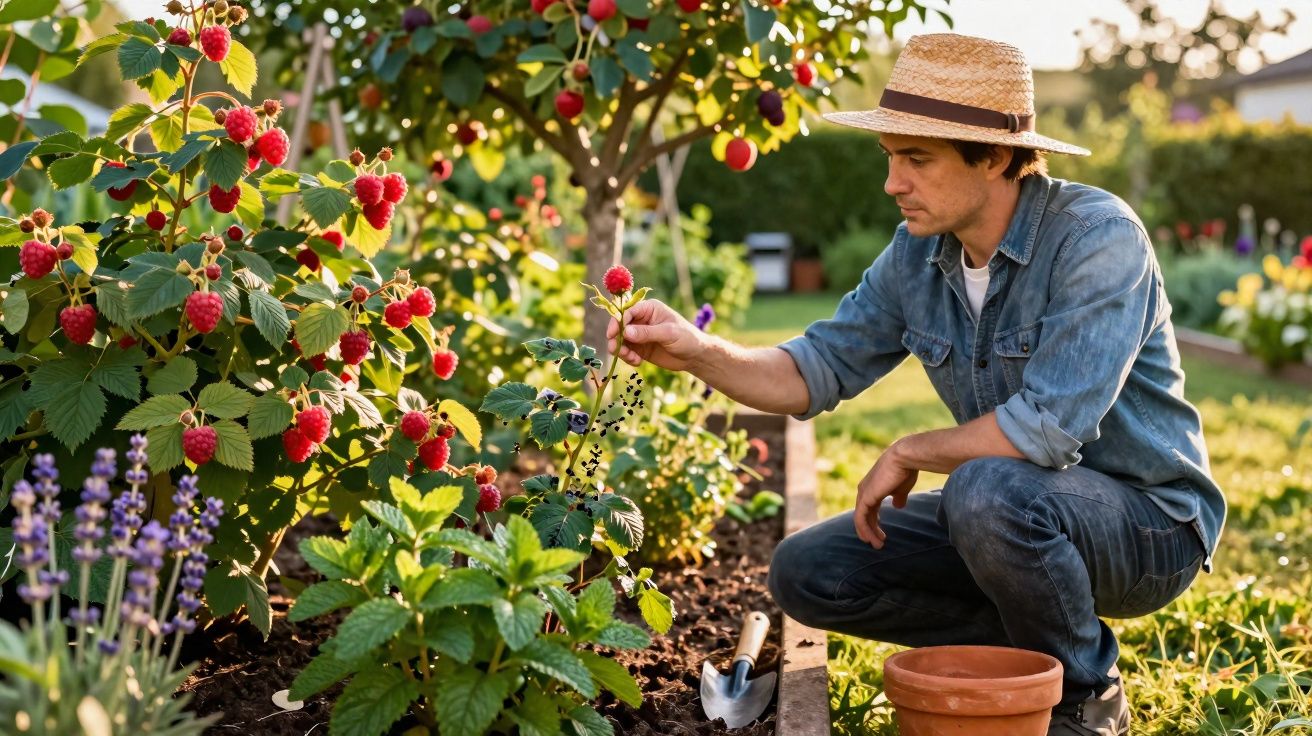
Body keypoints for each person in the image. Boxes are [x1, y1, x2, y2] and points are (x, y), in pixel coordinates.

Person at [606, 33, 1225, 736]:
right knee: (807, 573)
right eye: (892, 158)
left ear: (993, 157)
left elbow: (1046, 430)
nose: (892, 183)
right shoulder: (918, 253)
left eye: (917, 160)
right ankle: (1025, 656)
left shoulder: (1097, 238)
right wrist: (697, 351)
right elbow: (816, 368)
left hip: (1149, 527)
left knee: (984, 488)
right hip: (1010, 510)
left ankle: (1082, 694)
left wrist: (909, 450)